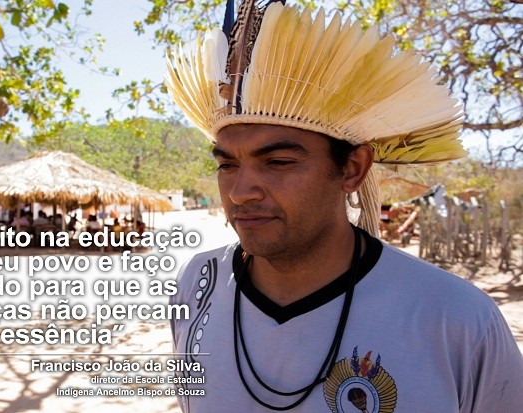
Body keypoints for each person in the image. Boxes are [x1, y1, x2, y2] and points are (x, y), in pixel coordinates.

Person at [165, 1, 523, 412]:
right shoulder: (197, 284)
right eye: (227, 164)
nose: (240, 191)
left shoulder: (455, 318)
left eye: (278, 162)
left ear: (352, 169)